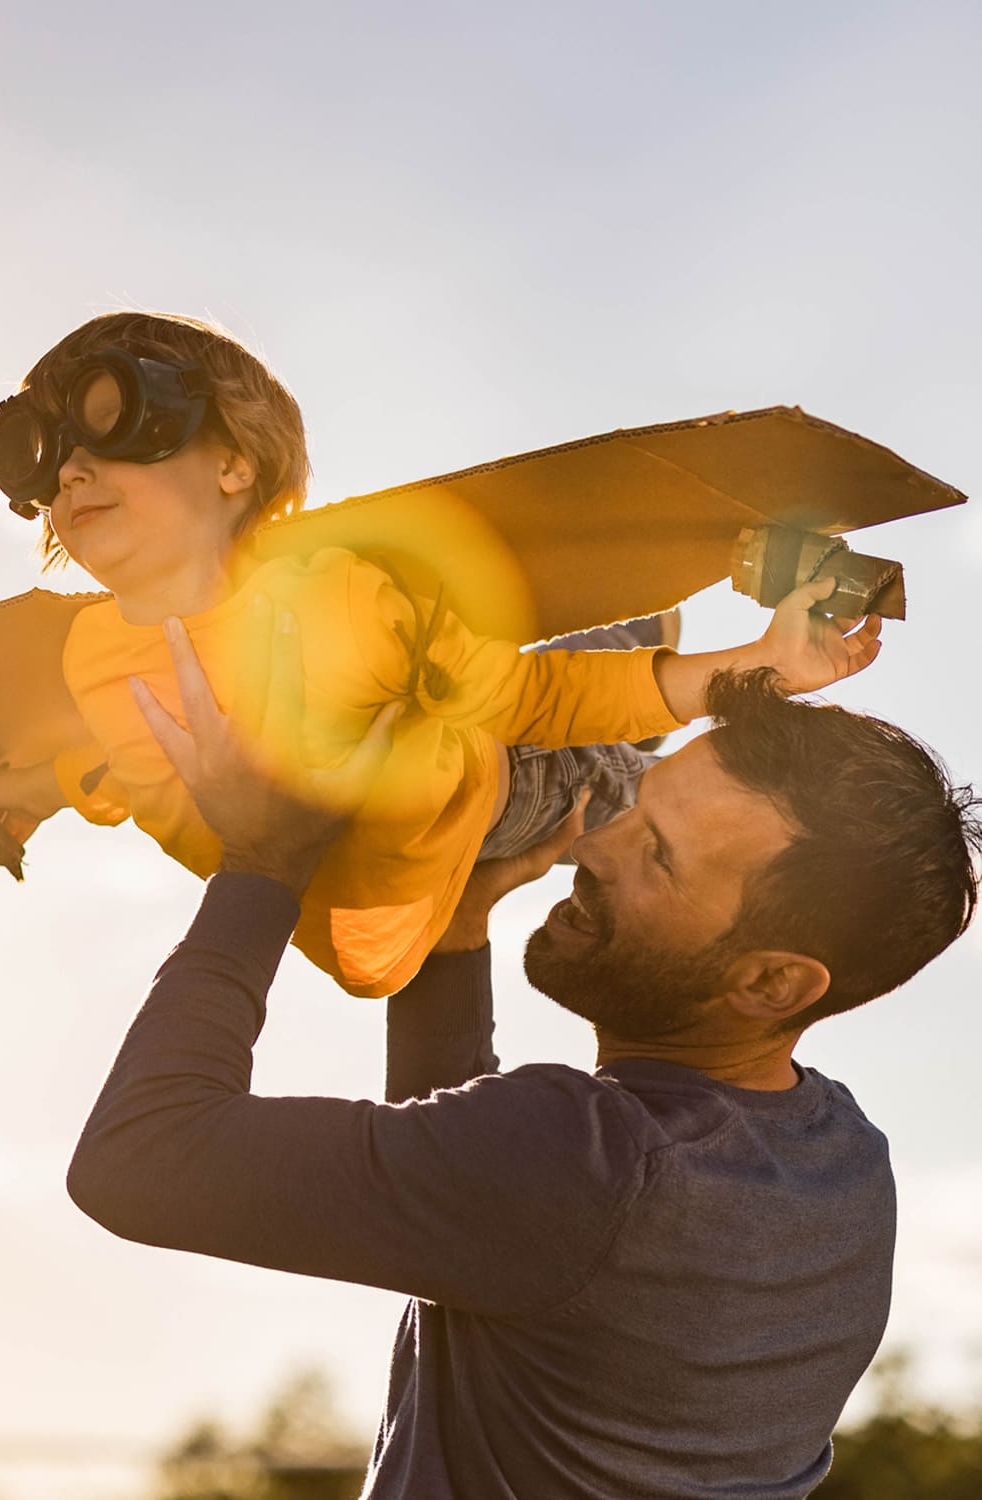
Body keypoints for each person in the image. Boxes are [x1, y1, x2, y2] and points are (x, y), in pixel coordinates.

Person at [65, 608, 980, 1499]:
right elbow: (480, 1211)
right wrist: (456, 932)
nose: (591, 839)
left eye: (658, 855)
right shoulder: (844, 1167)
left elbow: (137, 1159)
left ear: (775, 984)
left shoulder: (591, 1167)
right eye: (636, 804)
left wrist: (261, 862)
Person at [0, 310, 881, 995]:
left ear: (233, 463)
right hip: (466, 832)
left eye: (106, 423)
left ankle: (657, 632)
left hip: (492, 769)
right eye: (42, 456)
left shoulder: (341, 596)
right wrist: (60, 794)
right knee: (616, 783)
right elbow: (163, 800)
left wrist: (761, 666)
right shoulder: (98, 659)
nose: (69, 473)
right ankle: (647, 641)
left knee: (614, 756)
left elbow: (535, 701)